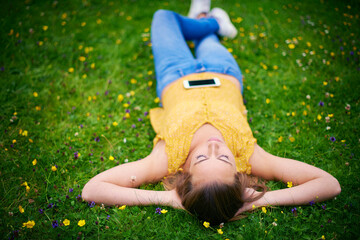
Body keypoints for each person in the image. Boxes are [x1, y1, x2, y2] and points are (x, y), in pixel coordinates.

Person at [82, 2, 341, 226]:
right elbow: (329, 184)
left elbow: (92, 190)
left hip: (175, 72)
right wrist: (255, 201)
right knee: (206, 40)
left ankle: (209, 20)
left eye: (203, 158)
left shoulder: (167, 159)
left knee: (163, 17)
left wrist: (167, 199)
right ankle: (209, 24)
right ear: (240, 177)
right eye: (225, 159)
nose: (214, 147)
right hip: (222, 69)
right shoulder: (250, 156)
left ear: (185, 175)